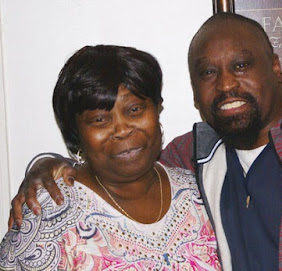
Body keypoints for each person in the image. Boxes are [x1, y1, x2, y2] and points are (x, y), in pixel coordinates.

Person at [8, 13, 282, 270]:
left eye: (242, 65)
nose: (226, 84)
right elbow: (121, 162)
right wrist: (48, 165)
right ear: (194, 93)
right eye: (208, 72)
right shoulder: (191, 158)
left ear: (277, 67)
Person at [0, 45, 221, 270]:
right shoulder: (47, 216)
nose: (122, 129)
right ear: (76, 132)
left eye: (134, 110)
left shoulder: (202, 193)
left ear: (157, 109)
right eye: (99, 120)